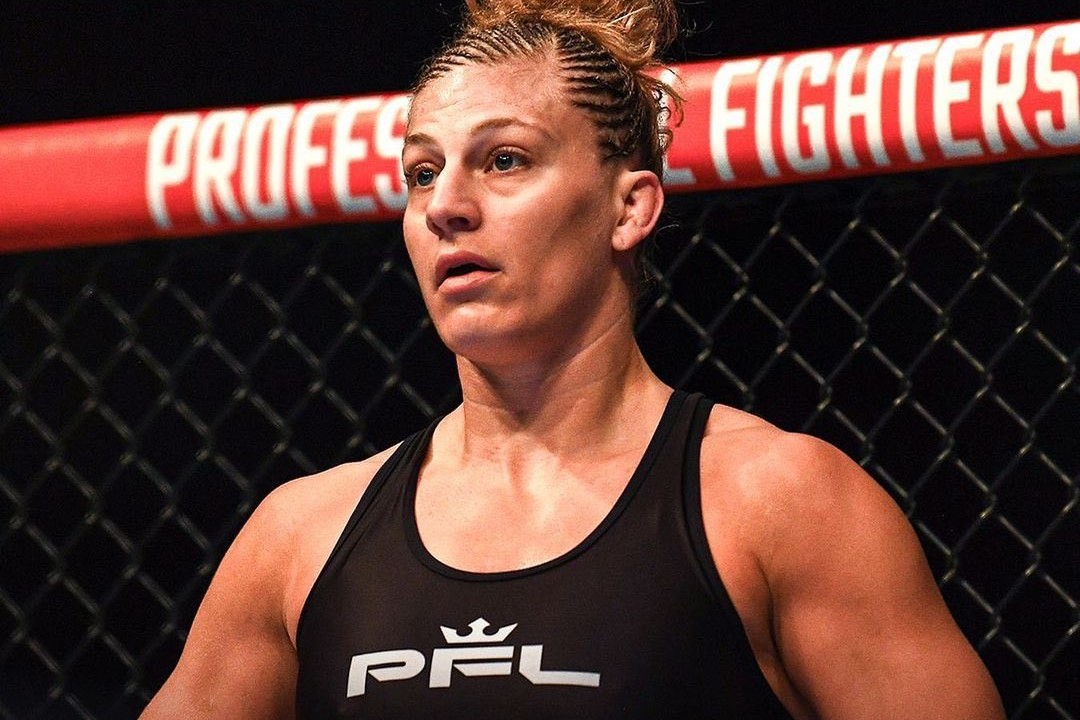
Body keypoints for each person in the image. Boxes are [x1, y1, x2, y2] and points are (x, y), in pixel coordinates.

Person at [141, 0, 1007, 717]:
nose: (445, 206)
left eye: (504, 160)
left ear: (630, 209)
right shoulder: (301, 538)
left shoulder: (782, 506)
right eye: (421, 172)